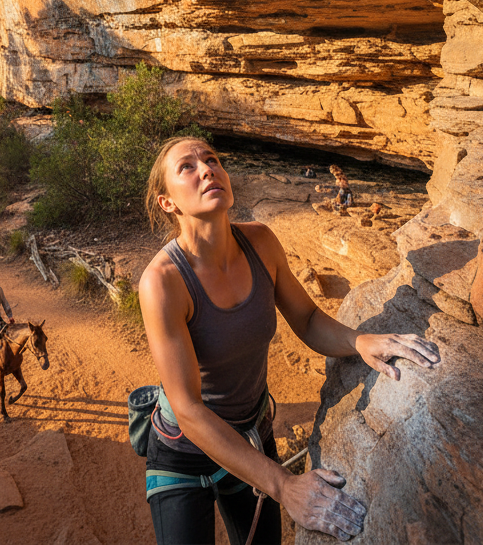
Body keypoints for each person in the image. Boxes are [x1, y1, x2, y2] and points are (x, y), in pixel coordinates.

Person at [138, 137, 441, 545]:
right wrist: (282, 485)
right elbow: (189, 409)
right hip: (182, 453)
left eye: (211, 160)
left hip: (250, 436)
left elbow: (309, 318)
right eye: (187, 167)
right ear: (167, 202)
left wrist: (360, 341)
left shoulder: (260, 242)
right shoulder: (163, 282)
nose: (207, 169)